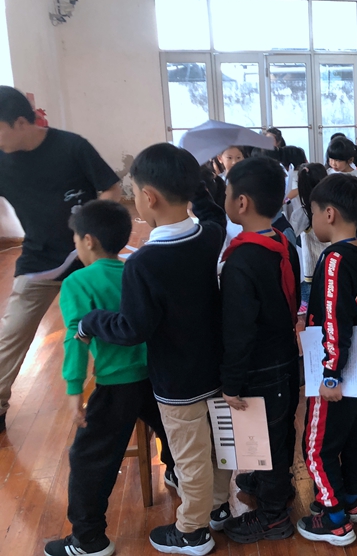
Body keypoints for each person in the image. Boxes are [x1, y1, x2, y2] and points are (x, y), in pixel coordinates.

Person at [77, 144, 229, 555]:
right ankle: (218, 507)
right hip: (217, 369)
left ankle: (192, 531)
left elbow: (132, 328)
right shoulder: (210, 235)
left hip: (178, 382)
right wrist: (200, 186)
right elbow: (214, 214)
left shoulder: (144, 263)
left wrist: (92, 321)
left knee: (190, 456)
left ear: (148, 197)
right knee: (217, 446)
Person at [45, 201, 174, 556]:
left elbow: (76, 338)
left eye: (75, 239)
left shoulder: (77, 282)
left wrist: (74, 389)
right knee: (172, 432)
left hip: (116, 384)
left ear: (88, 240)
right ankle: (179, 475)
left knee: (89, 458)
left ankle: (89, 540)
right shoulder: (135, 270)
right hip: (158, 378)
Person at [0, 86, 121, 435]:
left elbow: (111, 188)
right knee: (12, 332)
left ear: (20, 122)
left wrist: (94, 231)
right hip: (38, 259)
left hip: (89, 256)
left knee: (113, 327)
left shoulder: (71, 147)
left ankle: (127, 392)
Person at [217, 157, 300, 543]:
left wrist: (231, 382)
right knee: (279, 429)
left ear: (242, 203)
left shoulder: (241, 261)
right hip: (285, 358)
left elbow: (239, 331)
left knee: (264, 437)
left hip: (260, 367)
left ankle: (272, 516)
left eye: (227, 193)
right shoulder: (283, 243)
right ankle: (277, 483)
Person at [297, 174, 357, 547]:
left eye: (312, 213)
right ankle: (352, 499)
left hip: (336, 372)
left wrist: (329, 374)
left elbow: (333, 319)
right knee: (356, 437)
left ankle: (334, 520)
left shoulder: (333, 259)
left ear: (329, 214)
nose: (311, 220)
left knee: (316, 447)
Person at [290, 163, 330, 314]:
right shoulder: (332, 207)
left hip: (312, 265)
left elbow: (291, 233)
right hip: (332, 261)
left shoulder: (302, 212)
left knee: (312, 305)